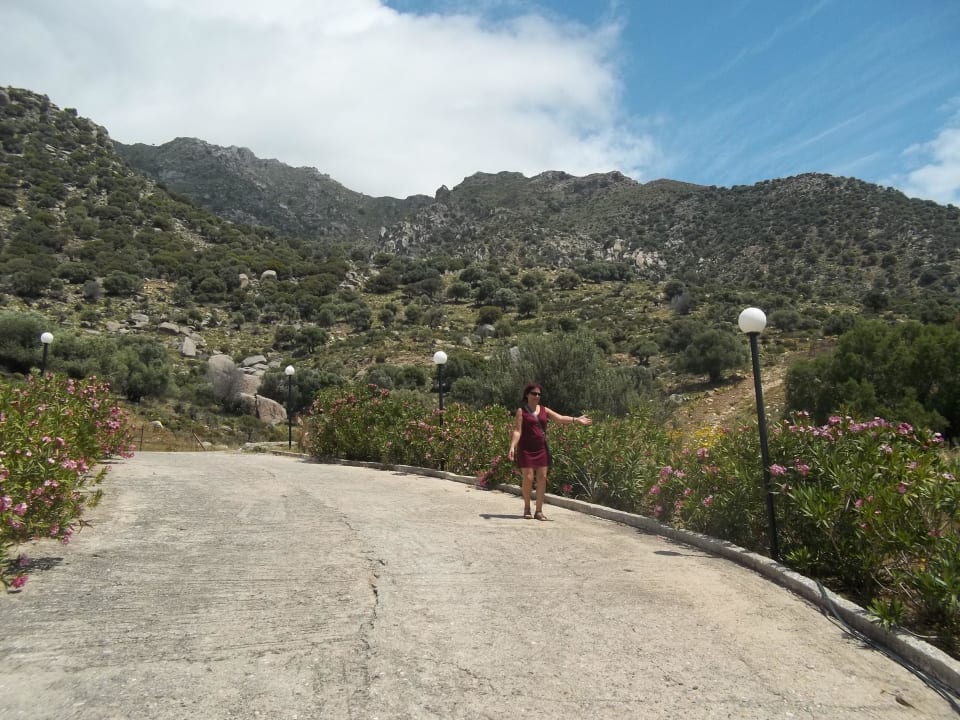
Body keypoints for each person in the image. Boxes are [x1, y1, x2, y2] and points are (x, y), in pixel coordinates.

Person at [507, 382, 592, 520]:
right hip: (526, 449)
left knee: (542, 478)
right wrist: (512, 446)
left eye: (539, 394)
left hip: (541, 448)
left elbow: (560, 418)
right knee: (528, 478)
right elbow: (518, 431)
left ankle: (539, 511)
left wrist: (576, 420)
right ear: (527, 395)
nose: (537, 396)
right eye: (534, 393)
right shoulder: (521, 411)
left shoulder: (544, 410)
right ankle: (527, 508)